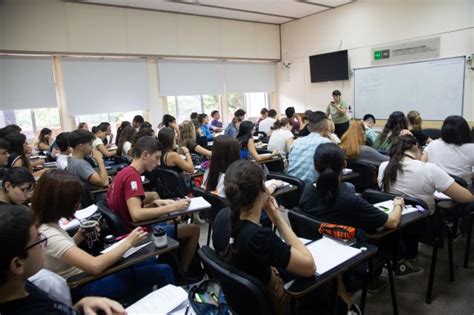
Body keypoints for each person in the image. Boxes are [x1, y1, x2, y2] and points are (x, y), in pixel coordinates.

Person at [214, 160, 359, 314]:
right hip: (282, 305)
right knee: (331, 277)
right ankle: (348, 309)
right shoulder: (260, 238)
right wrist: (277, 219)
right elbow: (310, 267)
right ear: (262, 190)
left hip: (248, 303)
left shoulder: (223, 219)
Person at [32, 169, 174, 300]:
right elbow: (95, 266)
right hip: (84, 285)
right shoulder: (48, 234)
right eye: (75, 200)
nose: (78, 204)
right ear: (61, 202)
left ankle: (141, 299)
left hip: (84, 275)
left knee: (147, 261)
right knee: (164, 270)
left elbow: (61, 254)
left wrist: (79, 236)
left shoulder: (47, 224)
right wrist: (129, 241)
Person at [0, 205, 126, 315]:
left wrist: (80, 306)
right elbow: (95, 266)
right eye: (38, 240)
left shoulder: (23, 286)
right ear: (17, 265)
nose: (44, 244)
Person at [106, 136, 199, 273]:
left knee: (174, 220)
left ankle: (173, 265)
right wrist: (174, 206)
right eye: (156, 158)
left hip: (127, 229)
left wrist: (155, 202)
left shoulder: (123, 173)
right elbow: (136, 214)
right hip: (138, 234)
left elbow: (127, 204)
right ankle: (182, 274)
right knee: (194, 229)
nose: (158, 163)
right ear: (145, 155)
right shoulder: (133, 177)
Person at [300, 143, 402, 230]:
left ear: (315, 166)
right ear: (344, 164)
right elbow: (392, 222)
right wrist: (398, 204)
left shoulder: (307, 190)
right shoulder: (348, 199)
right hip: (351, 247)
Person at [378, 135, 474, 214]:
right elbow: (466, 198)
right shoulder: (429, 169)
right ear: (416, 146)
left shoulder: (383, 167)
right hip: (423, 221)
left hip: (395, 216)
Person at [422, 115, 474, 187]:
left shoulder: (433, 144)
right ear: (466, 131)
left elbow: (422, 166)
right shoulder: (471, 148)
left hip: (435, 191)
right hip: (462, 192)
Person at [287, 111, 331, 184]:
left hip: (292, 188)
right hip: (313, 189)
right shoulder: (326, 143)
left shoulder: (297, 142)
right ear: (326, 126)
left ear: (308, 127)